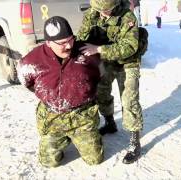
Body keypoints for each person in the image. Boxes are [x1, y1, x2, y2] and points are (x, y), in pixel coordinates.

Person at [17, 16, 104, 167]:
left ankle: (81, 136)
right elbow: (26, 81)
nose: (69, 46)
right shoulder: (32, 60)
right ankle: (63, 138)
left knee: (95, 160)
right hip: (53, 118)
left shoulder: (87, 53)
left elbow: (100, 75)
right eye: (62, 43)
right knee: (48, 163)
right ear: (48, 43)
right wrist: (50, 95)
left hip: (82, 116)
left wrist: (83, 92)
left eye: (71, 39)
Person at [77, 0, 144, 164]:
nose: (101, 13)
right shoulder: (94, 12)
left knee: (129, 100)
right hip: (106, 61)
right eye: (98, 9)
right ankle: (109, 122)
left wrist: (99, 49)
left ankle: (135, 143)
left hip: (127, 62)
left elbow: (129, 47)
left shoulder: (127, 17)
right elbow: (82, 36)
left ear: (114, 5)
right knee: (101, 92)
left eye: (105, 10)